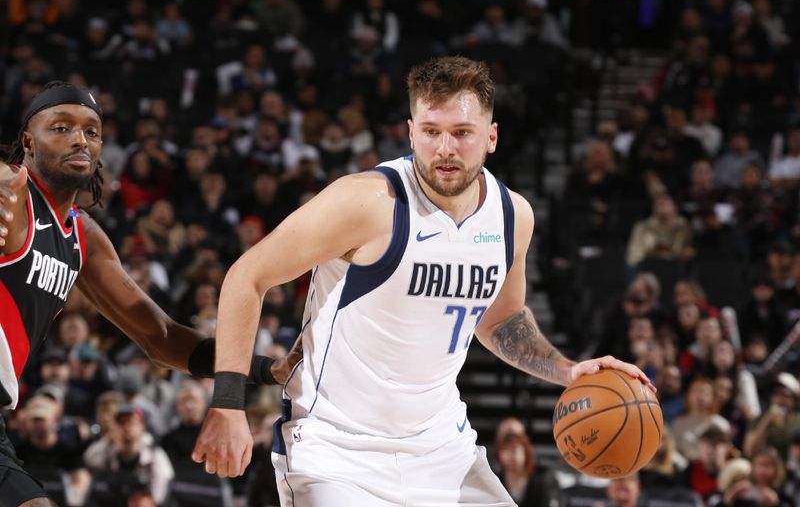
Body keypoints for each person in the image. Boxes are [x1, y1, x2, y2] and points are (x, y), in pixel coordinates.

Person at [192, 56, 654, 504]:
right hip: (337, 449)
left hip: (441, 448)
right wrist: (228, 403)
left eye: (461, 133)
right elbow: (246, 278)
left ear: (491, 137)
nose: (445, 148)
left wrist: (567, 370)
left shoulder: (513, 215)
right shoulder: (368, 202)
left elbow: (501, 318)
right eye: (431, 132)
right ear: (411, 131)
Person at [0, 81, 293, 506]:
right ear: (28, 141)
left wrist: (266, 368)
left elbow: (161, 338)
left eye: (92, 131)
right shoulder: (12, 188)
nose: (80, 138)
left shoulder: (85, 238)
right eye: (61, 127)